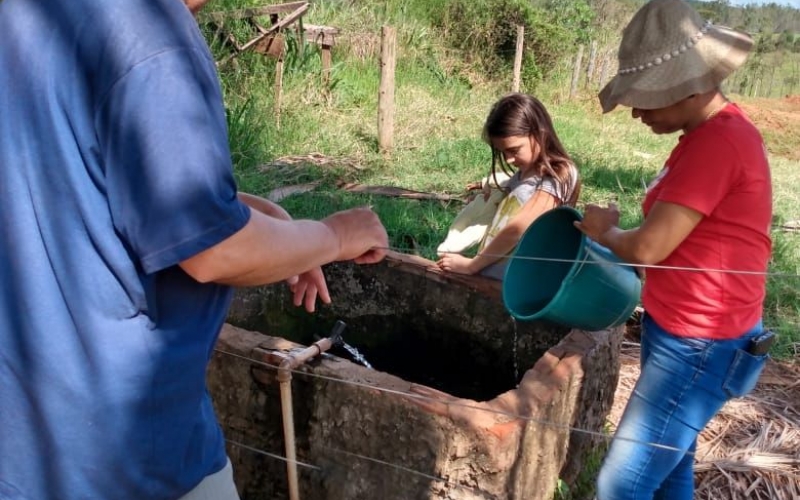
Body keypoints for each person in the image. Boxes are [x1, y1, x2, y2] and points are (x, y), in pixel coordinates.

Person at [0, 1, 388, 499]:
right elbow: (216, 253)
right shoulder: (149, 35)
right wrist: (336, 235)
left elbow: (89, 186)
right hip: (126, 451)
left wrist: (272, 225)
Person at [573, 1, 773, 499]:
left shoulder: (718, 145)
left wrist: (604, 231)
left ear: (684, 85)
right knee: (670, 471)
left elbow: (648, 246)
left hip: (700, 345)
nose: (638, 111)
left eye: (645, 98)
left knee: (620, 485)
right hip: (685, 332)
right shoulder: (704, 135)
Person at [436, 93, 581, 280]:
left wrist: (473, 265)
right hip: (494, 276)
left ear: (540, 133)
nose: (509, 159)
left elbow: (519, 226)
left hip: (523, 285)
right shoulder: (523, 173)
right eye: (503, 152)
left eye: (514, 150)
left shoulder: (559, 173)